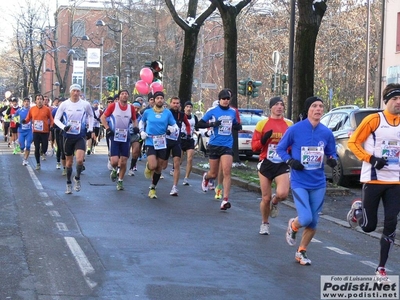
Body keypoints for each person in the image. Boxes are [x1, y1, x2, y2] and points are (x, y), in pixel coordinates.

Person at [346, 83, 400, 283]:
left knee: (392, 222)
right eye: (395, 99)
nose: (398, 102)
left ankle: (381, 268)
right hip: (374, 178)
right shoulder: (374, 120)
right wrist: (371, 158)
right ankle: (358, 210)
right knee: (369, 226)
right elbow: (353, 143)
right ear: (387, 101)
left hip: (396, 181)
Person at [276, 96, 337, 265]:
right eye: (314, 106)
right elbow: (281, 149)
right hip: (299, 181)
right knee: (305, 218)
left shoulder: (326, 132)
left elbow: (332, 152)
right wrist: (290, 161)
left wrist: (332, 159)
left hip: (318, 182)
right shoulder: (295, 129)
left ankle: (301, 251)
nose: (318, 109)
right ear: (308, 110)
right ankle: (293, 226)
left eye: (320, 106)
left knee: (314, 221)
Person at [251, 96, 293, 235]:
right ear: (271, 108)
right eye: (276, 104)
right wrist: (263, 140)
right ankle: (265, 223)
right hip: (266, 162)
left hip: (282, 162)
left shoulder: (289, 124)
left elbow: (294, 144)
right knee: (265, 197)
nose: (279, 107)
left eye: (281, 104)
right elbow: (254, 147)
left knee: (283, 193)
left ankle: (275, 202)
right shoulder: (262, 124)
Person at [196, 89, 242, 210]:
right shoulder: (213, 111)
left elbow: (238, 125)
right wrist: (212, 124)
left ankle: (225, 200)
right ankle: (206, 177)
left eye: (228, 99)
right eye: (224, 99)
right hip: (214, 144)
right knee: (214, 173)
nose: (226, 101)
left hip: (227, 145)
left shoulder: (232, 112)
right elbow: (199, 124)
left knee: (227, 171)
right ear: (219, 100)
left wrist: (236, 126)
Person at [54, 84, 95, 194]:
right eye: (74, 91)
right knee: (69, 163)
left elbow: (91, 116)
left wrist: (90, 129)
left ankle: (77, 178)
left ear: (80, 92)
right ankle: (68, 183)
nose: (76, 93)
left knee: (80, 160)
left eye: (78, 91)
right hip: (67, 136)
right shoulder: (64, 104)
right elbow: (56, 119)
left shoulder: (85, 104)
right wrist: (63, 127)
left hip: (80, 136)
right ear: (70, 92)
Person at [139, 91, 178, 199]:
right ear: (154, 100)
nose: (160, 100)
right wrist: (142, 131)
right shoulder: (148, 112)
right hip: (150, 141)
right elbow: (141, 122)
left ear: (164, 100)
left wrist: (172, 128)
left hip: (162, 141)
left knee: (159, 167)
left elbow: (175, 125)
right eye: (157, 98)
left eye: (161, 98)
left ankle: (152, 188)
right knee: (153, 165)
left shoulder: (167, 113)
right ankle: (148, 166)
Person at [101, 90, 137, 190]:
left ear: (128, 96)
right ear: (119, 96)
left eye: (126, 94)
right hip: (114, 135)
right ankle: (114, 169)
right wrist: (107, 128)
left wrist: (135, 127)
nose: (124, 95)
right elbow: (103, 117)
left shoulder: (131, 108)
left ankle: (120, 181)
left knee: (124, 161)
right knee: (114, 161)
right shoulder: (113, 106)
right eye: (122, 94)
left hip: (125, 136)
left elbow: (134, 119)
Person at [162, 96, 191, 196]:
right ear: (170, 103)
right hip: (165, 141)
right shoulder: (166, 113)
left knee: (177, 163)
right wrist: (164, 130)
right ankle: (154, 176)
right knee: (163, 165)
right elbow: (160, 124)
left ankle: (174, 187)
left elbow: (187, 125)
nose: (176, 105)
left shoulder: (182, 115)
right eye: (174, 103)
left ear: (180, 105)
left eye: (177, 103)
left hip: (176, 141)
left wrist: (187, 133)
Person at [23, 94, 54, 170]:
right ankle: (38, 163)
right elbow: (28, 118)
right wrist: (24, 121)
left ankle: (42, 151)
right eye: (38, 99)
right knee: (36, 147)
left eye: (41, 99)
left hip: (45, 131)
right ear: (35, 101)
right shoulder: (32, 109)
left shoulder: (47, 109)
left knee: (44, 148)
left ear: (43, 101)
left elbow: (51, 119)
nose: (39, 100)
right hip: (36, 131)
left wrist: (52, 126)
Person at [180, 101, 198, 186]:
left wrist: (198, 133)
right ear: (184, 108)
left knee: (190, 159)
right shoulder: (181, 116)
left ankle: (186, 178)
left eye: (190, 107)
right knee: (179, 160)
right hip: (180, 139)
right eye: (187, 106)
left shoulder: (194, 117)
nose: (189, 108)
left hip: (190, 139)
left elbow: (197, 127)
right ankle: (175, 169)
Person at [14, 97, 32, 165]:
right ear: (23, 103)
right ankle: (20, 145)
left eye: (28, 101)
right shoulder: (19, 110)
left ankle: (25, 160)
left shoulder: (31, 110)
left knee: (28, 146)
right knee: (22, 147)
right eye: (25, 101)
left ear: (29, 103)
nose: (26, 103)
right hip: (21, 131)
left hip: (29, 131)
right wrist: (17, 122)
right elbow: (14, 117)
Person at [128, 101, 142, 176]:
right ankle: (119, 167)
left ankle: (131, 168)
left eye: (138, 108)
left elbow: (143, 125)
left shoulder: (140, 116)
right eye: (134, 108)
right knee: (125, 154)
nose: (136, 110)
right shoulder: (127, 114)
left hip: (135, 136)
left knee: (136, 151)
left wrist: (139, 129)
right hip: (126, 136)